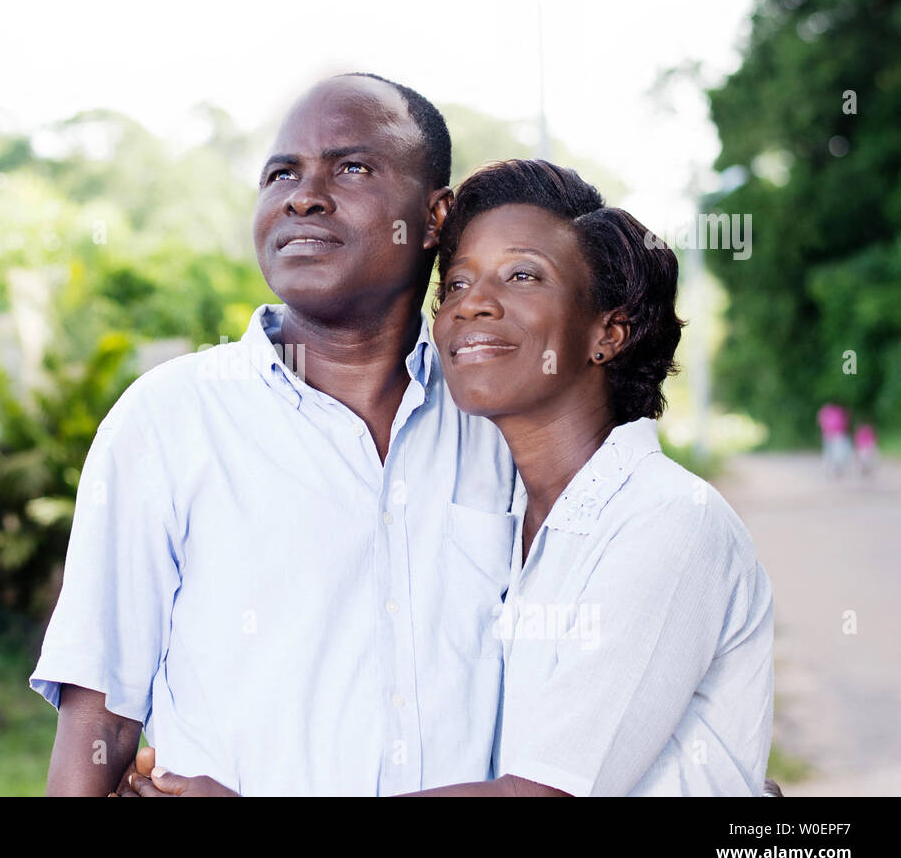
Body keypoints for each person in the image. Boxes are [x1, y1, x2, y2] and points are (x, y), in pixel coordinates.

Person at [129, 160, 774, 797]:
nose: (474, 307)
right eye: (457, 285)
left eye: (523, 275)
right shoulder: (519, 516)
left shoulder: (666, 520)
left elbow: (538, 797)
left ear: (609, 330)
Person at [32, 74, 518, 796]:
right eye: (280, 173)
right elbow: (98, 723)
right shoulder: (168, 421)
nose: (303, 196)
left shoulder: (505, 422)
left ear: (434, 215)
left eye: (351, 168)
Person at [817, 402, 851, 478]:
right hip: (834, 434)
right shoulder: (830, 411)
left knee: (833, 453)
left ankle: (834, 469)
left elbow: (820, 421)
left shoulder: (827, 411)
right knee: (834, 453)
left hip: (834, 434)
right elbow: (845, 421)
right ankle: (833, 469)